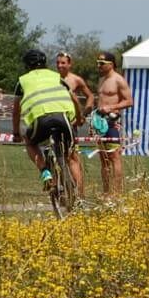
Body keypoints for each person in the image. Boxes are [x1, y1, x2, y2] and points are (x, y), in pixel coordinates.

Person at [12, 49, 81, 191]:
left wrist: (16, 133)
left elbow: (16, 111)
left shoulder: (23, 81)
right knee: (72, 157)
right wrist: (79, 118)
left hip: (40, 119)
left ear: (27, 65)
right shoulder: (57, 77)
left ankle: (44, 171)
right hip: (63, 118)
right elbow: (74, 98)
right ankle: (79, 197)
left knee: (30, 142)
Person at [92, 51, 135, 196]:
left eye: (102, 63)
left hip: (112, 123)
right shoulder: (101, 79)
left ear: (111, 64)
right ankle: (106, 192)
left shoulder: (119, 80)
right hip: (100, 123)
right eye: (98, 63)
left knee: (114, 157)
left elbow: (129, 101)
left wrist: (111, 107)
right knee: (103, 159)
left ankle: (116, 193)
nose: (99, 66)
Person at [55, 54, 92, 196]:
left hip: (70, 122)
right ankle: (61, 188)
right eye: (58, 63)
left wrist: (84, 113)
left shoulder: (76, 79)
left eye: (63, 63)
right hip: (55, 119)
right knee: (56, 155)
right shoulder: (52, 78)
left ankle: (80, 193)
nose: (60, 65)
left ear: (70, 64)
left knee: (72, 157)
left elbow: (89, 96)